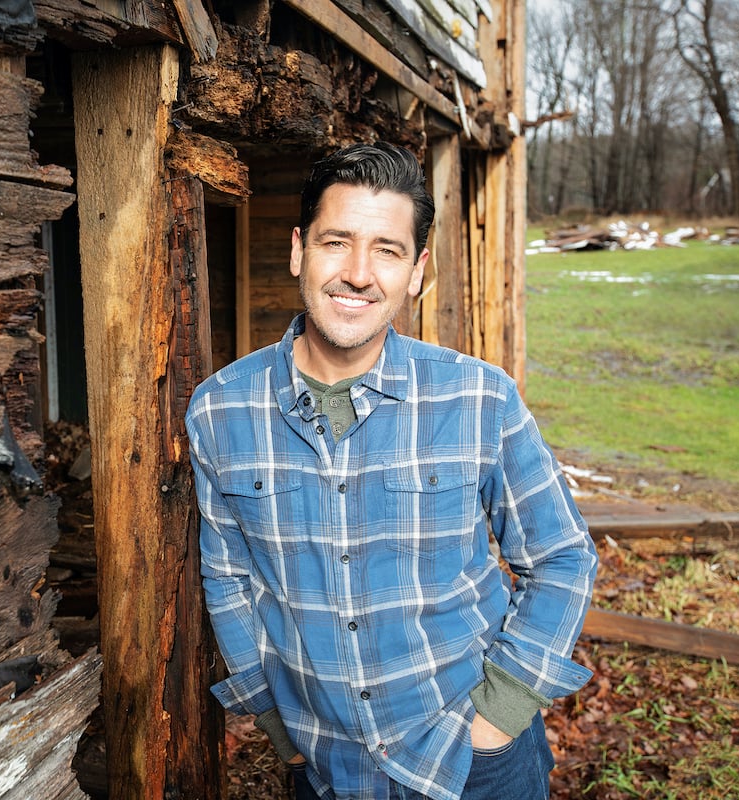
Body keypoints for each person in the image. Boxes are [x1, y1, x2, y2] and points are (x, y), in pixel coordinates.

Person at [185, 142, 598, 800]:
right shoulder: (219, 411)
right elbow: (229, 580)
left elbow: (563, 556)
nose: (357, 273)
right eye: (336, 241)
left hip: (473, 761)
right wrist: (274, 720)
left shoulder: (479, 400)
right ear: (298, 250)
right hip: (322, 767)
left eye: (387, 249)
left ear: (417, 272)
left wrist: (500, 713)